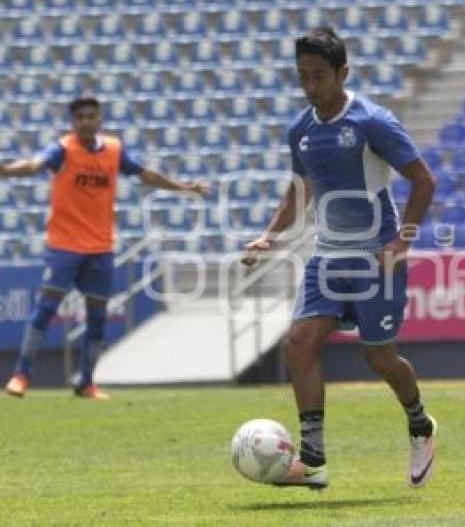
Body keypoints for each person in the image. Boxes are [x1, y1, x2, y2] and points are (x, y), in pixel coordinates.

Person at [242, 27, 437, 490]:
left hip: (376, 259)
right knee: (299, 342)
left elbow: (424, 181)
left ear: (343, 73)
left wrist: (402, 243)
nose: (311, 87)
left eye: (320, 76)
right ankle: (312, 461)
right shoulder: (301, 130)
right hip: (327, 257)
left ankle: (421, 424)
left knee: (380, 358)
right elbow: (298, 193)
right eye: (303, 77)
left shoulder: (373, 122)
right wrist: (269, 236)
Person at [3, 97, 210, 400]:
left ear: (99, 119)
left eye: (91, 115)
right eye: (80, 117)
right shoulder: (63, 149)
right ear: (73, 122)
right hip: (64, 246)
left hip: (100, 246)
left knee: (97, 316)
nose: (86, 121)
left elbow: (146, 174)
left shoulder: (114, 150)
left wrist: (184, 187)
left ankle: (86, 382)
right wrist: (7, 171)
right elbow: (34, 164)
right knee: (46, 309)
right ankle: (21, 375)